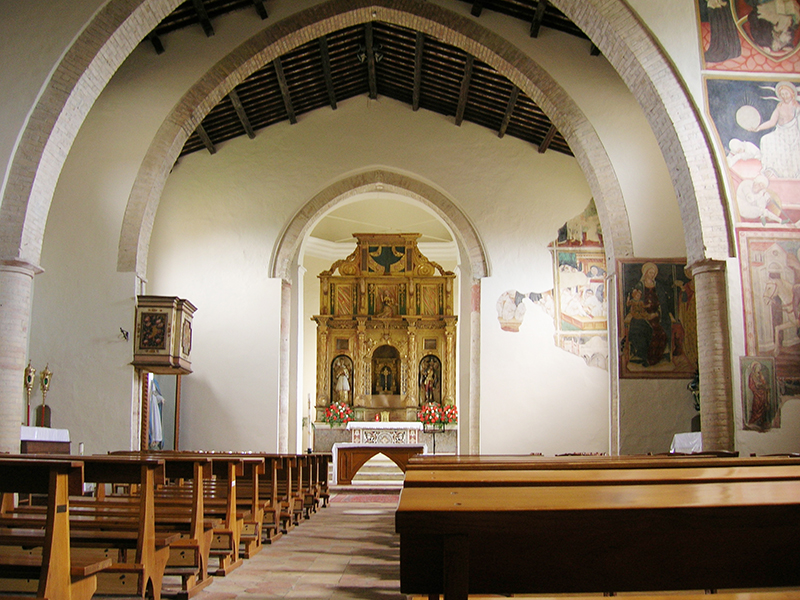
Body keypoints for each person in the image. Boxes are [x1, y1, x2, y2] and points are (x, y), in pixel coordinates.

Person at [752, 81, 800, 179]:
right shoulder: (779, 106)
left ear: (792, 93)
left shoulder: (797, 107)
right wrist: (758, 128)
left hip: (793, 134)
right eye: (782, 94)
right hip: (780, 132)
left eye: (786, 93)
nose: (785, 96)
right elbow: (772, 122)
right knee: (765, 139)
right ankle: (771, 170)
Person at [746, 361, 772, 431]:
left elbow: (764, 383)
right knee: (756, 406)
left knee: (763, 406)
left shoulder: (760, 374)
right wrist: (756, 388)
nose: (758, 369)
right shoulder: (752, 375)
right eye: (757, 368)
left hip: (762, 393)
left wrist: (761, 378)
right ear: (754, 368)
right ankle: (754, 421)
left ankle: (761, 422)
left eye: (759, 368)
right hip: (756, 393)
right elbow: (751, 385)